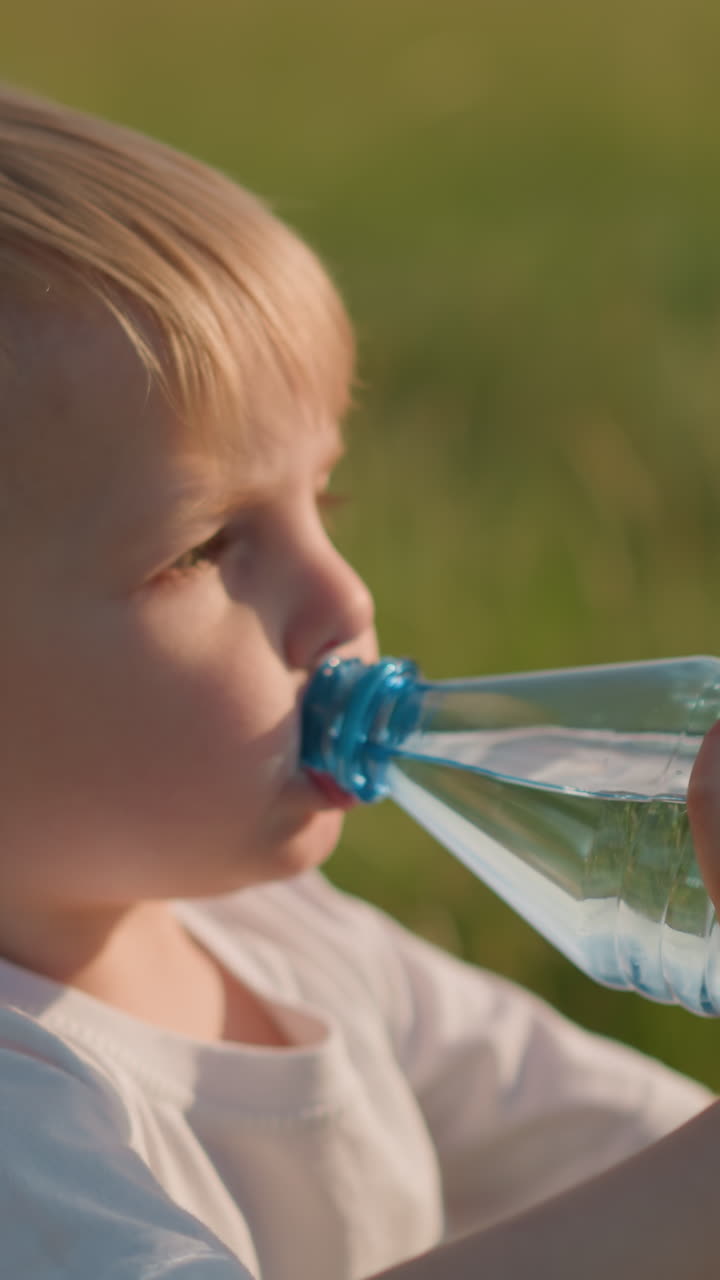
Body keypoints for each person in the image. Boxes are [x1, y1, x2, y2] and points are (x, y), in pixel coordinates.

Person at [0, 83, 717, 1280]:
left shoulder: (281, 936)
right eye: (202, 548)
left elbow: (614, 1143)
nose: (345, 603)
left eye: (319, 501)